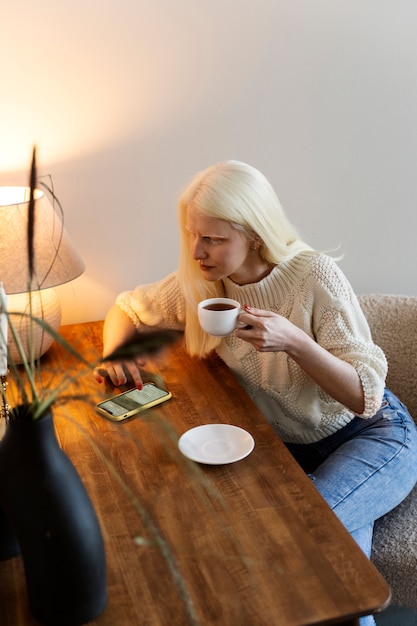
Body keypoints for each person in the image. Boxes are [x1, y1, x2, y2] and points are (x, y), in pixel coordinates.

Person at [95, 161, 417, 625]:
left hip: (372, 435)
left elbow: (366, 395)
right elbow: (127, 308)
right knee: (338, 572)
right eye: (192, 234)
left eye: (214, 239)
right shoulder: (201, 283)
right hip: (286, 447)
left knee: (297, 539)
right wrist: (114, 353)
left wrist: (296, 342)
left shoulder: (313, 277)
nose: (197, 250)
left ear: (256, 235)